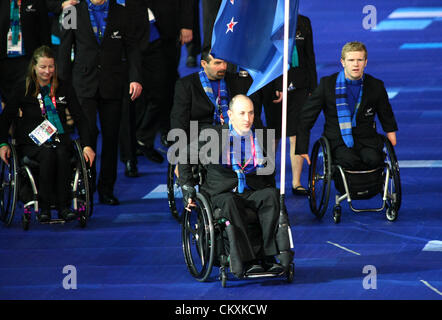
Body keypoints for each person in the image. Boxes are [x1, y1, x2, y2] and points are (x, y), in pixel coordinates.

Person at [178, 95, 292, 277]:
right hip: (222, 193)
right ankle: (248, 260)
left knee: (271, 195)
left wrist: (273, 191)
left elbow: (268, 172)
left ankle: (268, 257)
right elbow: (184, 156)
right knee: (231, 202)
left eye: (251, 113)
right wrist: (188, 188)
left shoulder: (259, 135)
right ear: (230, 115)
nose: (247, 118)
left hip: (250, 190)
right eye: (242, 113)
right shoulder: (213, 136)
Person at [57, 0, 143, 205]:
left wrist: (135, 78)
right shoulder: (72, 12)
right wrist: (62, 86)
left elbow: (132, 48)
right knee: (87, 137)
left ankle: (106, 189)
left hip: (112, 83)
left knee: (111, 137)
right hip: (83, 83)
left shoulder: (122, 12)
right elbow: (65, 48)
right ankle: (87, 186)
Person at [0, 45, 95, 222]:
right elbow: (5, 119)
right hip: (31, 142)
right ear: (34, 67)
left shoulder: (64, 87)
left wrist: (88, 145)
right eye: (43, 67)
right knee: (48, 154)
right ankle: (43, 207)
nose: (47, 71)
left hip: (59, 139)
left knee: (61, 153)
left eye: (50, 67)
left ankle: (64, 207)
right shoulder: (23, 88)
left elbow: (80, 118)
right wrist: (3, 143)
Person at [296, 41, 398, 172]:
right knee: (348, 161)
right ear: (343, 62)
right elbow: (306, 117)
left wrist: (391, 133)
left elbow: (386, 112)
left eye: (359, 60)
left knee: (373, 160)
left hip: (367, 139)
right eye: (351, 60)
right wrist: (302, 147)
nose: (356, 64)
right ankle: (346, 191)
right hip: (337, 140)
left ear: (365, 62)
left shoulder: (376, 85)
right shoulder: (327, 85)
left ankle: (368, 189)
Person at [262, 14, 317, 196]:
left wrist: (313, 87)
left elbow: (309, 55)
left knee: (297, 134)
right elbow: (266, 57)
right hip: (274, 86)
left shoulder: (303, 21)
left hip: (300, 84)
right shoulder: (267, 20)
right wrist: (276, 86)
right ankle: (267, 182)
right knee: (274, 135)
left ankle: (296, 182)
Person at [170, 50, 262, 137]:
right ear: (204, 64)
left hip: (234, 135)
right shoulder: (186, 85)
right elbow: (179, 122)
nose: (223, 67)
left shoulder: (235, 81)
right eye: (217, 63)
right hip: (200, 139)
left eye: (225, 62)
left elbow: (252, 114)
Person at [0, 0, 51, 105]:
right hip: (4, 60)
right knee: (8, 101)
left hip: (28, 59)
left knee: (27, 98)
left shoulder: (36, 2)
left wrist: (46, 59)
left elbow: (44, 30)